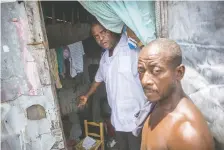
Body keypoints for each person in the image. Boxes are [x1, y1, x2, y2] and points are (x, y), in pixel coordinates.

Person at [78, 21, 146, 150]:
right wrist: (87, 95)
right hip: (118, 120)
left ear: (112, 29)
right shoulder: (105, 58)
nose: (100, 38)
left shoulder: (132, 49)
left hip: (137, 120)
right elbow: (98, 79)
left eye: (103, 32)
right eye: (96, 36)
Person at [138, 38, 215, 150]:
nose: (145, 80)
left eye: (156, 71)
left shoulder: (187, 133)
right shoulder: (159, 104)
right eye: (141, 70)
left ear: (179, 73)